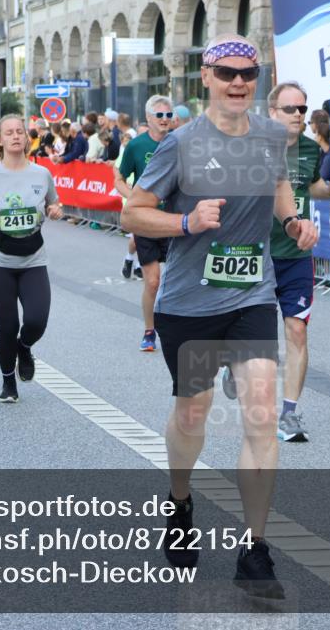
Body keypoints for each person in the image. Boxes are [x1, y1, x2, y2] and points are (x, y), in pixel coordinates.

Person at [121, 33, 318, 598]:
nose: (238, 82)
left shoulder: (271, 136)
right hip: (188, 303)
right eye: (227, 72)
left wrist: (293, 224)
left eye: (248, 74)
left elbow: (280, 187)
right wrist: (186, 223)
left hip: (251, 296)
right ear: (204, 77)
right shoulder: (179, 145)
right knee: (192, 418)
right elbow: (134, 215)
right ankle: (180, 502)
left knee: (260, 410)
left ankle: (254, 551)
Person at [222, 80, 330, 442]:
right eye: (290, 109)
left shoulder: (311, 149)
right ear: (272, 112)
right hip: (255, 252)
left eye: (303, 109)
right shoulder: (251, 145)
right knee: (249, 336)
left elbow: (311, 188)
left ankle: (289, 413)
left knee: (297, 330)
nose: (298, 116)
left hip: (295, 254)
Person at [0, 114, 63, 402]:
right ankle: (8, 382)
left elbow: (53, 202)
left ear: (27, 137)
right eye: (8, 132)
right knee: (7, 327)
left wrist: (55, 210)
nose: (15, 136)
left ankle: (25, 347)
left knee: (36, 320)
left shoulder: (41, 173)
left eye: (19, 132)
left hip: (34, 258)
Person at [114, 95, 174, 349]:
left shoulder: (179, 143)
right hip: (146, 221)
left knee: (177, 281)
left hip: (174, 220)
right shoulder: (137, 146)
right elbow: (119, 178)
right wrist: (135, 200)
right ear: (148, 118)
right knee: (152, 281)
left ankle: (177, 328)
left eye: (168, 116)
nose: (164, 120)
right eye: (159, 115)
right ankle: (149, 331)